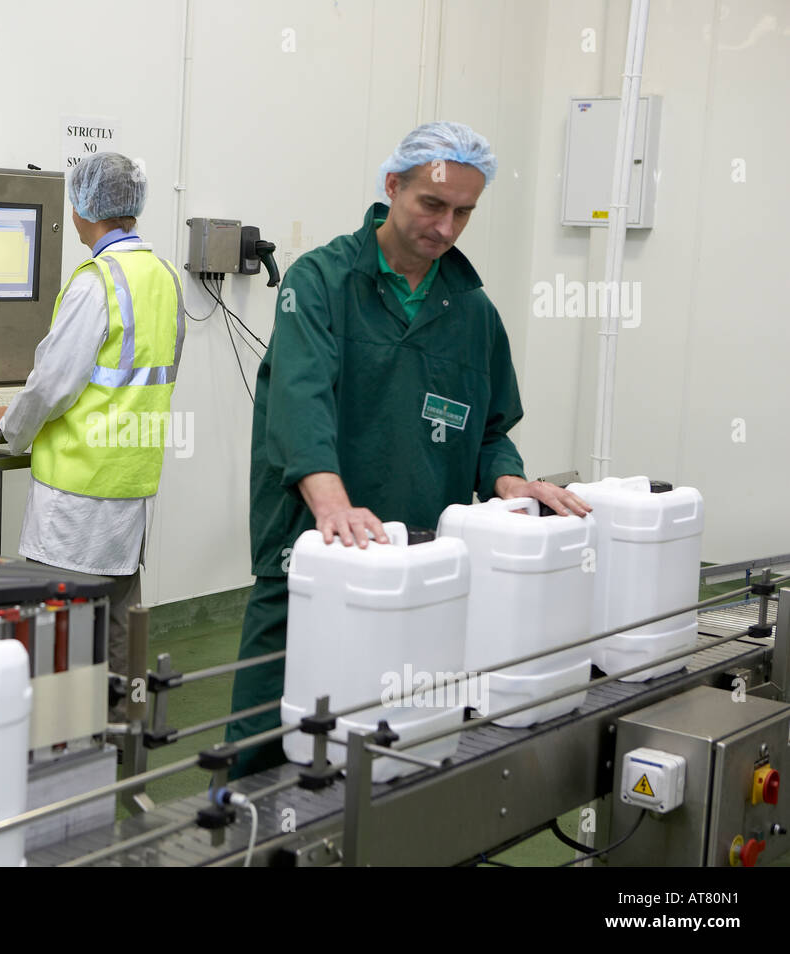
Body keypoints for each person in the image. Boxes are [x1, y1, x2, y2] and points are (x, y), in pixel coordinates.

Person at [223, 122, 591, 778]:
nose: (447, 228)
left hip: (422, 569)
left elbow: (489, 431)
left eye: (464, 213)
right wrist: (332, 503)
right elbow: (298, 404)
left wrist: (509, 482)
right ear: (392, 186)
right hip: (312, 557)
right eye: (433, 205)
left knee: (404, 747)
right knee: (270, 745)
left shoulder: (472, 312)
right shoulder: (321, 283)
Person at [0, 151, 185, 717]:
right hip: (130, 490)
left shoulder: (97, 283)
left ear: (81, 209)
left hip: (77, 494)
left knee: (60, 629)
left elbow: (52, 386)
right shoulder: (164, 278)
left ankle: (62, 744)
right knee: (120, 627)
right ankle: (122, 740)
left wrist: (9, 429)